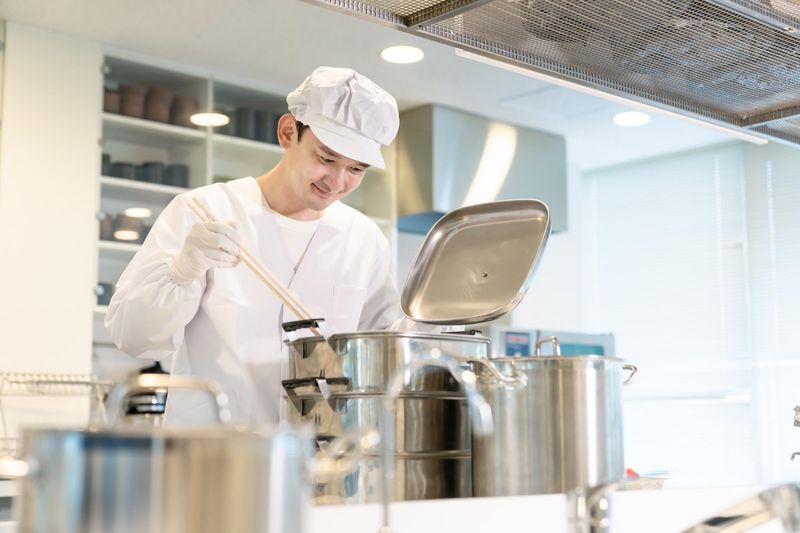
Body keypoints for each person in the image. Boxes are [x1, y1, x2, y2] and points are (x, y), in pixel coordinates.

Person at [105, 66, 401, 425]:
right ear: (288, 132)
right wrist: (181, 272)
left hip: (318, 454)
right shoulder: (206, 210)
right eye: (326, 158)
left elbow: (384, 353)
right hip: (215, 448)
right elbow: (132, 337)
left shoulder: (364, 239)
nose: (337, 181)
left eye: (356, 169)